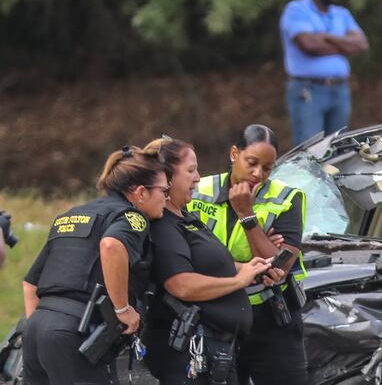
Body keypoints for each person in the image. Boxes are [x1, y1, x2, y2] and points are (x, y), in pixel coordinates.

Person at [141, 136, 284, 384]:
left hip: (217, 351)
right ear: (167, 175)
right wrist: (239, 280)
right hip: (190, 352)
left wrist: (249, 267)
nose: (198, 178)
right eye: (191, 170)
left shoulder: (185, 217)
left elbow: (205, 264)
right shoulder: (164, 224)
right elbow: (181, 284)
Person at [21, 145, 168, 384]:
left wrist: (40, 330)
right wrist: (122, 309)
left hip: (36, 329)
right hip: (75, 333)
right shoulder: (132, 217)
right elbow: (111, 245)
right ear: (141, 192)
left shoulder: (71, 215)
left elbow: (29, 284)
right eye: (164, 190)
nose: (167, 198)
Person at [187, 124, 308, 384]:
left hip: (271, 317)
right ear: (234, 154)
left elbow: (279, 268)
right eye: (251, 163)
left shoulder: (286, 198)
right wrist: (252, 261)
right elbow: (186, 259)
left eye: (267, 168)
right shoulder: (197, 191)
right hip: (214, 317)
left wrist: (247, 215)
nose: (258, 174)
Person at [279, 0, 369, 146]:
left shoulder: (342, 13)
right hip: (309, 90)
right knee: (311, 149)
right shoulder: (296, 10)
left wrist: (327, 37)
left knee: (338, 146)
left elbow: (361, 45)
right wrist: (344, 45)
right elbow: (309, 45)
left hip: (339, 89)